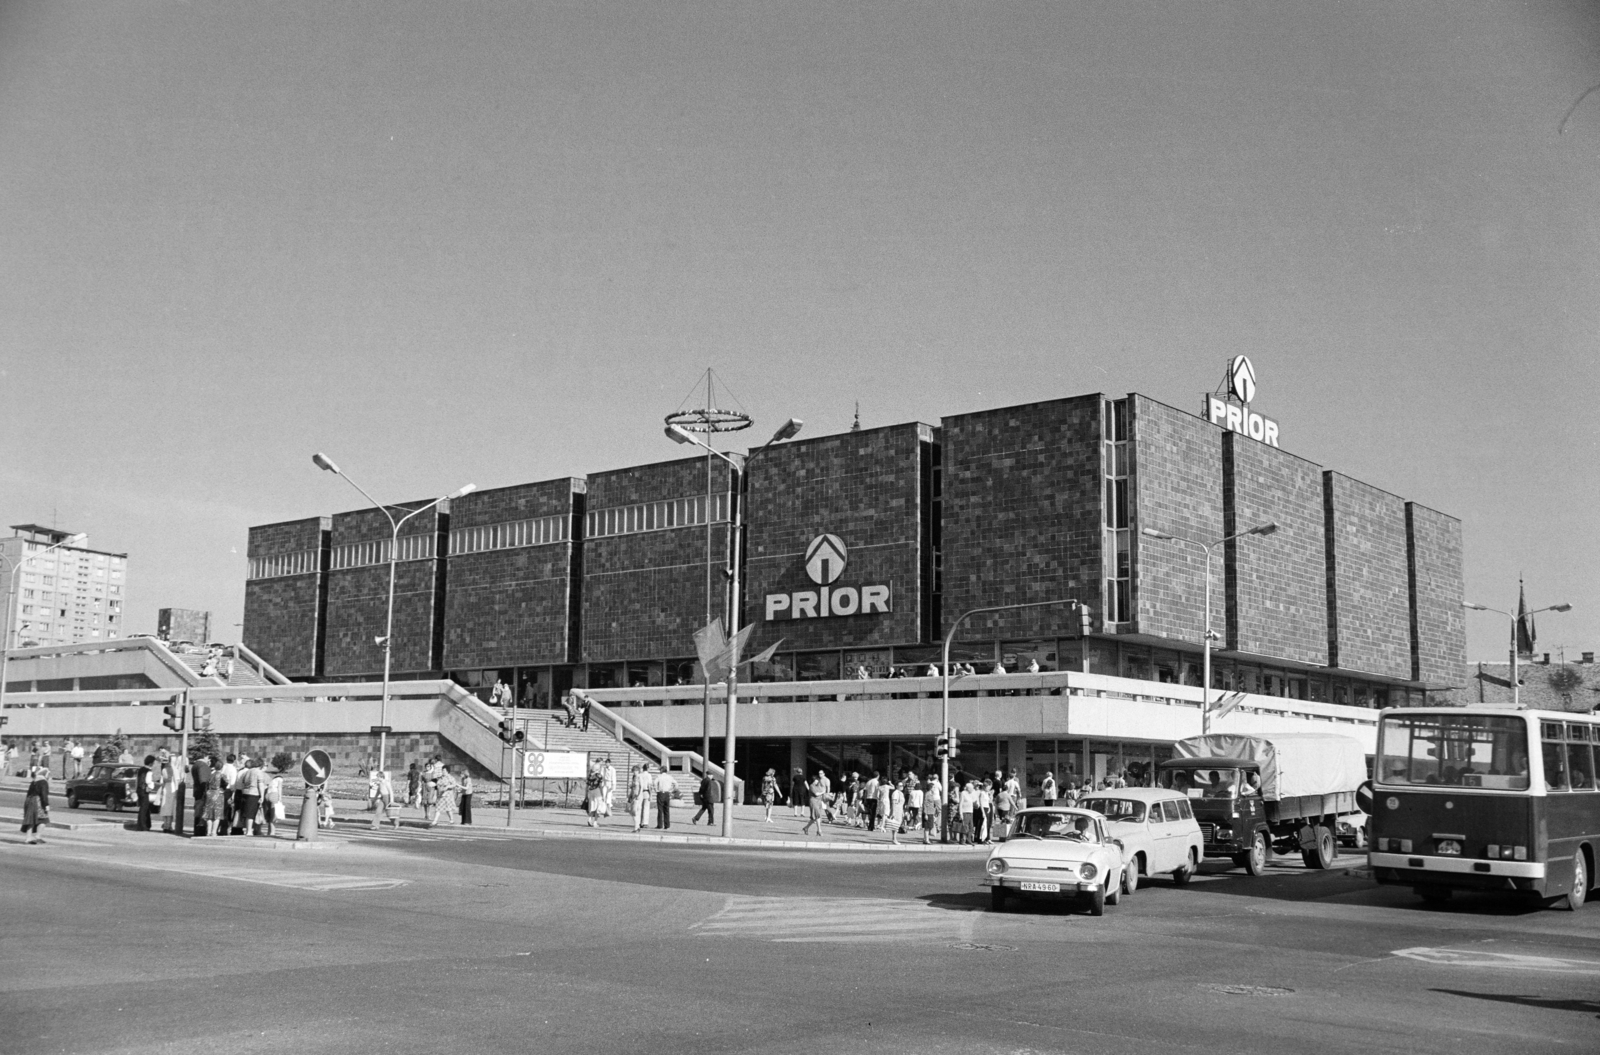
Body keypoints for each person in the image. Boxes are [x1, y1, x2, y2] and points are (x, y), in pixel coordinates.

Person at [21, 766, 50, 844]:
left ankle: (29, 837)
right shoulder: (43, 782)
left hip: (29, 800)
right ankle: (37, 836)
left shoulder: (34, 781)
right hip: (38, 802)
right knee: (44, 819)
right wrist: (46, 805)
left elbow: (28, 793)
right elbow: (44, 794)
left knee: (30, 819)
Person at [190, 753, 213, 837]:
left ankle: (198, 830)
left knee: (198, 812)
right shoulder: (203, 765)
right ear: (205, 756)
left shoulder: (196, 764)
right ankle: (200, 831)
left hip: (197, 791)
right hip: (202, 792)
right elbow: (203, 780)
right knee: (202, 812)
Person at [157, 753, 180, 833]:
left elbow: (161, 781)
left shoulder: (164, 769)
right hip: (172, 787)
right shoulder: (175, 769)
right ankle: (169, 825)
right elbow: (176, 781)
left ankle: (165, 824)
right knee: (170, 807)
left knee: (165, 806)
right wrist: (177, 791)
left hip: (166, 787)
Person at [801, 772, 828, 838]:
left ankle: (806, 828)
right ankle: (819, 830)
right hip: (813, 802)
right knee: (817, 816)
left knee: (814, 817)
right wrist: (822, 792)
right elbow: (816, 794)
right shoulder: (811, 786)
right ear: (814, 780)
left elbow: (823, 791)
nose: (818, 781)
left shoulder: (818, 786)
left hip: (819, 802)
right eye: (817, 780)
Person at [135, 754, 156, 831]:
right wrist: (151, 786)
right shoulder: (149, 771)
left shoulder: (141, 769)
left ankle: (145, 824)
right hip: (145, 790)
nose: (153, 764)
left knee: (143, 808)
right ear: (150, 763)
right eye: (153, 762)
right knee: (144, 808)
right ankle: (143, 825)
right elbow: (148, 781)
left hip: (139, 790)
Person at [202, 765, 224, 836]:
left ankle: (208, 831)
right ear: (222, 767)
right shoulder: (222, 775)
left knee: (209, 814)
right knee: (217, 814)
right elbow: (225, 784)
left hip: (210, 794)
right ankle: (214, 832)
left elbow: (207, 784)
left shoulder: (211, 775)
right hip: (218, 794)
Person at [921, 777, 943, 845]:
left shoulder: (931, 794)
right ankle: (926, 839)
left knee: (929, 827)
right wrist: (925, 814)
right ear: (930, 788)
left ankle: (926, 839)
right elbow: (925, 804)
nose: (934, 789)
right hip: (928, 812)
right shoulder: (928, 794)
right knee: (927, 827)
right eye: (933, 787)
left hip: (931, 812)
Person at [583, 762, 605, 828]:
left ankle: (589, 819)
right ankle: (595, 822)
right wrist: (603, 794)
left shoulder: (589, 775)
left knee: (592, 806)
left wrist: (586, 794)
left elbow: (586, 786)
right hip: (597, 791)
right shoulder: (599, 776)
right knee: (598, 807)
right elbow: (600, 786)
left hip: (590, 791)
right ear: (598, 768)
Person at [263, 770, 284, 836]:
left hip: (267, 795)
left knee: (269, 814)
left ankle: (269, 831)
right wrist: (280, 798)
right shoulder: (280, 779)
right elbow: (279, 788)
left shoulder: (272, 781)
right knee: (274, 815)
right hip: (274, 795)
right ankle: (272, 832)